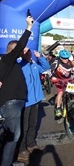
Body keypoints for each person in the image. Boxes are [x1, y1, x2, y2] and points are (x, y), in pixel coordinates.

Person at [0, 15, 33, 166]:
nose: (22, 52)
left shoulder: (11, 64)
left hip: (14, 103)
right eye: (19, 51)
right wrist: (29, 27)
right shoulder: (6, 59)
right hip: (11, 103)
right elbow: (19, 46)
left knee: (10, 136)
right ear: (12, 51)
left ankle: (9, 161)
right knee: (13, 137)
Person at [17, 48, 50, 162]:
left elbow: (46, 68)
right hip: (25, 101)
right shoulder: (19, 64)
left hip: (36, 100)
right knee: (24, 127)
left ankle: (31, 144)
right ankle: (21, 150)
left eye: (29, 52)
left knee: (33, 124)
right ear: (21, 54)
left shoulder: (34, 64)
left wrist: (40, 57)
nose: (28, 53)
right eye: (25, 52)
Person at [51, 49, 73, 119]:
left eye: (67, 58)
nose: (66, 60)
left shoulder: (70, 63)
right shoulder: (56, 63)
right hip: (59, 80)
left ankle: (71, 105)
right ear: (60, 57)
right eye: (64, 58)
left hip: (68, 80)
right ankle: (58, 108)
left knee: (72, 92)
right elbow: (50, 71)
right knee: (60, 93)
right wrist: (53, 77)